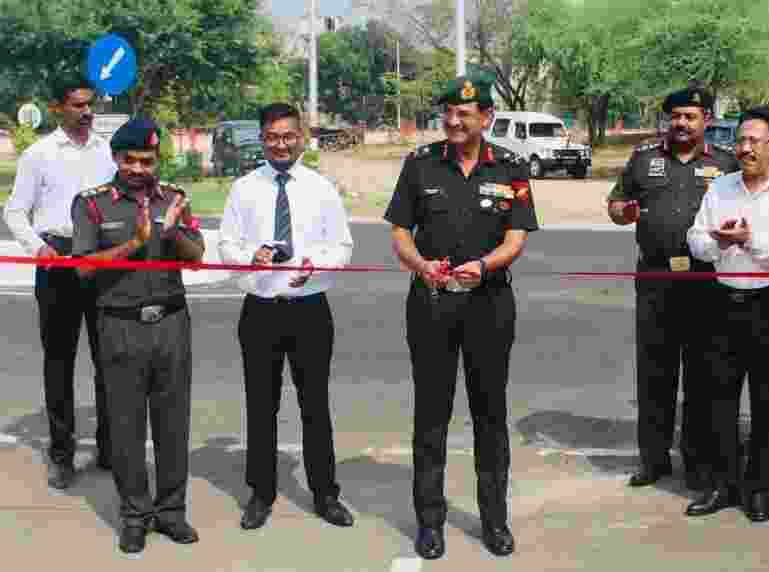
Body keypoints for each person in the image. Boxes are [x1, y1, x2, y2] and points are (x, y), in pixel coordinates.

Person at [385, 74, 539, 560]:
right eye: (448, 113)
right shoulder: (420, 164)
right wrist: (420, 265)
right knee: (431, 415)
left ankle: (494, 520)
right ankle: (429, 522)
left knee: (489, 415)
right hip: (431, 303)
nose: (453, 120)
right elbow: (399, 233)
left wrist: (484, 265)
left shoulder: (511, 168)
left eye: (464, 114)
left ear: (486, 118)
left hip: (489, 305)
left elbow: (516, 239)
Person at [218, 103, 356, 532]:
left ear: (301, 137)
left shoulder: (321, 188)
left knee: (315, 405)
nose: (281, 144)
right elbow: (226, 245)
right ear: (262, 139)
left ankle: (325, 493)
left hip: (310, 310)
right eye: (273, 137)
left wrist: (317, 265)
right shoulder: (244, 189)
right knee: (261, 405)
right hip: (261, 310)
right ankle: (261, 492)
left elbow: (344, 246)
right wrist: (250, 257)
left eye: (288, 136)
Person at [70, 118, 205, 554]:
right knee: (126, 425)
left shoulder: (174, 199)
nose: (139, 169)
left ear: (156, 160)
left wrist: (172, 230)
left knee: (173, 423)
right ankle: (134, 515)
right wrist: (135, 242)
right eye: (129, 160)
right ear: (115, 159)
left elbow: (197, 257)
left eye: (147, 161)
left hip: (171, 323)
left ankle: (171, 512)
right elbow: (84, 267)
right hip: (119, 323)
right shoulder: (92, 205)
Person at [607, 86, 739, 492]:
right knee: (655, 374)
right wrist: (621, 213)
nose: (681, 123)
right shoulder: (644, 160)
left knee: (702, 376)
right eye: (675, 116)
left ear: (707, 121)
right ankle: (654, 459)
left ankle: (698, 462)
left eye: (690, 116)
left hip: (706, 283)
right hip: (656, 281)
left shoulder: (726, 162)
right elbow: (615, 205)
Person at [686, 106, 769, 522]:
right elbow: (695, 237)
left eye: (754, 141)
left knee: (768, 401)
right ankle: (724, 484)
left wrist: (751, 242)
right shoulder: (720, 187)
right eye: (740, 141)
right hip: (723, 302)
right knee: (718, 398)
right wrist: (720, 245)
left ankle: (759, 487)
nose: (744, 149)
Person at [5, 74, 115, 488]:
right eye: (77, 105)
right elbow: (15, 212)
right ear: (58, 108)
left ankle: (109, 448)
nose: (87, 112)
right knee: (59, 362)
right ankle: (62, 454)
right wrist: (38, 247)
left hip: (101, 263)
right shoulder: (39, 154)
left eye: (90, 105)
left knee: (109, 359)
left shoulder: (108, 152)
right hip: (57, 264)